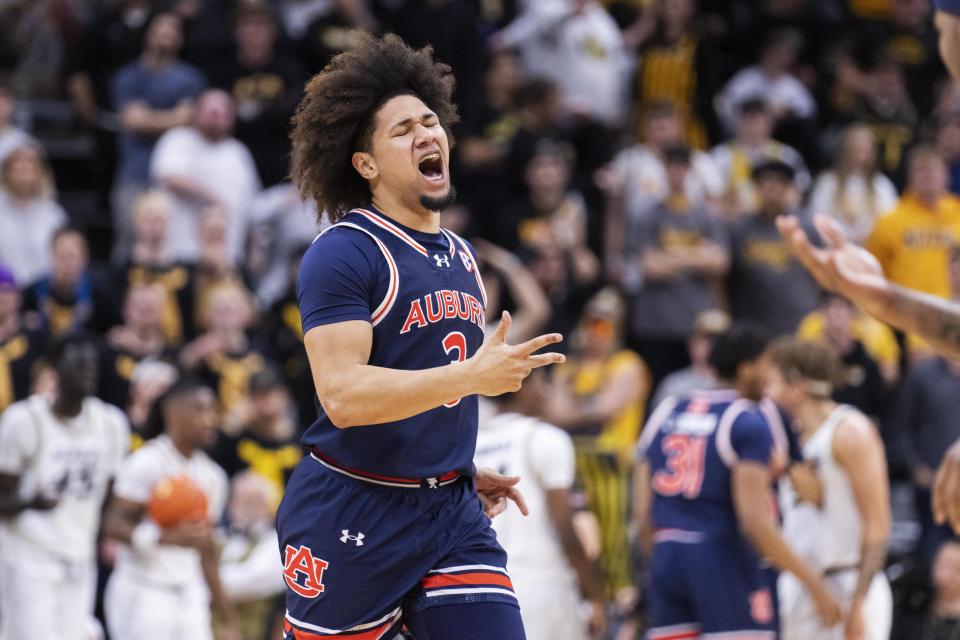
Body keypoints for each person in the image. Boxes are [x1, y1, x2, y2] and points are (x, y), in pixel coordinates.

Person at [279, 34, 565, 639]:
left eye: (430, 121)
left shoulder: (459, 252)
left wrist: (450, 465)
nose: (426, 135)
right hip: (352, 510)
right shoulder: (343, 253)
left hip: (448, 512)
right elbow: (344, 396)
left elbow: (426, 380)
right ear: (366, 165)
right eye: (403, 130)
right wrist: (471, 378)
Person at [635, 325, 842, 639]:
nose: (770, 376)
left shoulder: (666, 409)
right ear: (746, 369)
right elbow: (754, 522)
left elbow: (642, 512)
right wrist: (814, 584)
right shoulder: (746, 419)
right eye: (766, 365)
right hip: (722, 556)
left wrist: (662, 558)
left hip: (667, 554)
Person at [0, 334, 130, 640]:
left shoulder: (110, 423)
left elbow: (109, 493)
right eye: (78, 365)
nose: (87, 372)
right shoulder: (24, 420)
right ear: (55, 369)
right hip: (29, 557)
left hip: (79, 556)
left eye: (92, 366)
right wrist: (30, 502)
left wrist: (103, 538)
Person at [767, 338, 892, 640]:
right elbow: (819, 502)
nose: (765, 391)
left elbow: (878, 527)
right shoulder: (789, 439)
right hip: (803, 586)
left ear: (796, 388)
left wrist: (858, 604)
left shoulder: (850, 430)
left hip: (848, 584)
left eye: (771, 382)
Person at [102, 375, 238, 640]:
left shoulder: (213, 476)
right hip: (142, 589)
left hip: (190, 594)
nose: (210, 419)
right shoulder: (146, 462)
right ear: (172, 413)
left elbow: (205, 549)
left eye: (212, 410)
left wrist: (226, 616)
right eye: (200, 409)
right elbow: (112, 524)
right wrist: (163, 537)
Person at [475, 369, 606, 640]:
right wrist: (595, 594)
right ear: (520, 385)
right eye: (541, 381)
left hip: (484, 587)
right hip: (542, 587)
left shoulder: (470, 444)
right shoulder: (545, 437)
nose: (546, 390)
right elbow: (566, 528)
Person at [546, 289, 648, 601]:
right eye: (593, 324)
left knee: (616, 548)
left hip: (613, 470)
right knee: (576, 542)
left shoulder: (628, 363)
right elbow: (555, 413)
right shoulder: (568, 367)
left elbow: (607, 408)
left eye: (605, 326)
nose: (597, 333)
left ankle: (625, 612)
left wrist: (576, 411)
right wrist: (587, 411)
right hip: (575, 469)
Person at [627, 144, 729, 385]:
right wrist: (697, 254)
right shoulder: (648, 213)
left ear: (689, 169)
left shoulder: (704, 214)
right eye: (670, 165)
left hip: (696, 320)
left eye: (681, 165)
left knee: (701, 383)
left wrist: (671, 254)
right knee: (658, 386)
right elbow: (650, 266)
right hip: (656, 321)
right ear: (663, 169)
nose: (676, 171)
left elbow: (721, 262)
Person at [110, 12, 206, 257]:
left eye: (174, 30)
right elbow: (133, 120)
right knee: (129, 245)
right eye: (161, 28)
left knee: (175, 248)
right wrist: (174, 117)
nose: (168, 34)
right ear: (147, 34)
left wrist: (149, 118)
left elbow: (189, 120)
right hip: (135, 173)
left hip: (179, 176)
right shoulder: (127, 76)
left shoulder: (191, 78)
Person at [150, 89, 261, 263]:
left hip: (230, 255)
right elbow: (170, 176)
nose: (216, 118)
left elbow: (251, 204)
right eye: (211, 112)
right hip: (183, 253)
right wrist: (214, 199)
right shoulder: (178, 138)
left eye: (221, 113)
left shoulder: (238, 152)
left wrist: (253, 248)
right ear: (196, 113)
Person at [728, 160, 820, 335]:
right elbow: (729, 279)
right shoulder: (740, 230)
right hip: (754, 324)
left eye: (777, 183)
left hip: (801, 321)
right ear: (756, 188)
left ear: (788, 188)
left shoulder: (807, 227)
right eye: (764, 182)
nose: (770, 188)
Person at [218, 471, 287, 640]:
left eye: (253, 501)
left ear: (268, 506)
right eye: (238, 499)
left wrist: (202, 578)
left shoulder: (276, 544)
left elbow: (247, 582)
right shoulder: (218, 537)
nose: (243, 506)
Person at [808, 124, 898, 244]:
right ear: (844, 151)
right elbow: (816, 218)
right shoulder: (828, 183)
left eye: (866, 151)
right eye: (856, 150)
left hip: (872, 251)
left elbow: (890, 221)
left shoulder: (881, 185)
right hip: (835, 250)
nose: (862, 157)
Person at [0, 146, 67, 287]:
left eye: (29, 170)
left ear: (40, 174)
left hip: (42, 293)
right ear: (6, 174)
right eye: (18, 170)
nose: (24, 177)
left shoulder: (54, 215)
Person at [22, 227, 96, 337]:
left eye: (71, 256)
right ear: (51, 256)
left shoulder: (98, 296)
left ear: (84, 258)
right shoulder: (31, 293)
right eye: (61, 256)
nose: (66, 263)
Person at [650, 308, 729, 408]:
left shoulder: (736, 385)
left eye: (721, 339)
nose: (713, 345)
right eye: (707, 338)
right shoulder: (674, 385)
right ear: (693, 343)